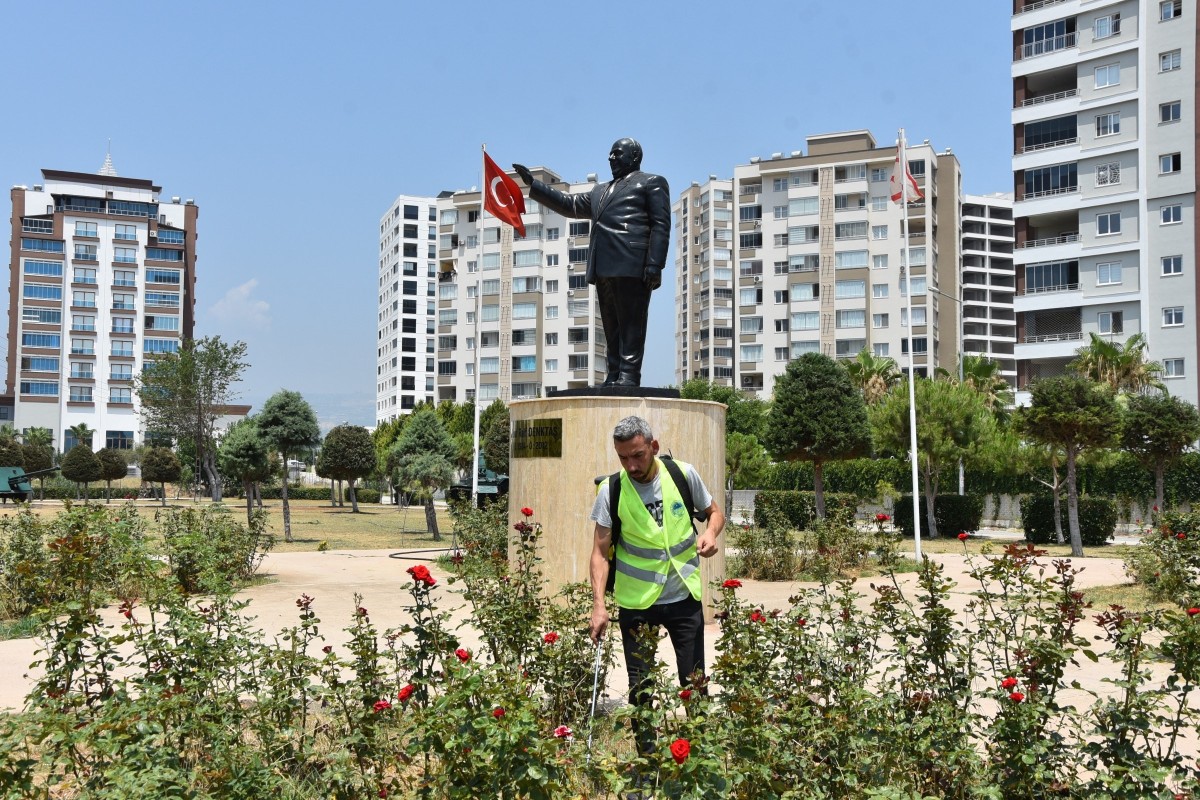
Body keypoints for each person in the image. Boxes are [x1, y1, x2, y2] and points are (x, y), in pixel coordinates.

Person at [588, 415, 724, 758]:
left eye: (638, 455)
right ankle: (648, 764)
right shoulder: (612, 490)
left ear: (654, 447)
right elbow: (599, 554)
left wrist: (709, 533)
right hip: (637, 604)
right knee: (641, 689)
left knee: (694, 683)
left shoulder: (682, 473)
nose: (631, 465)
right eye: (623, 458)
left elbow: (714, 512)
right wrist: (599, 605)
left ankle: (698, 760)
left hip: (683, 598)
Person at [513, 138, 670, 387]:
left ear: (635, 156)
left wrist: (655, 264)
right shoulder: (600, 190)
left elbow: (661, 225)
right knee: (611, 325)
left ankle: (629, 375)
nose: (611, 158)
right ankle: (615, 372)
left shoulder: (651, 182)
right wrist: (535, 186)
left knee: (631, 323)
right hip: (603, 266)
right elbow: (570, 205)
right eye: (609, 154)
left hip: (633, 264)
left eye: (617, 153)